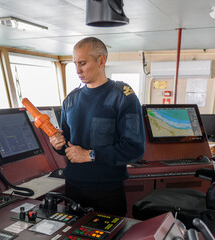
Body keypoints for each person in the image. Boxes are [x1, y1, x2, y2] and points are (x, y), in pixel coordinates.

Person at [49, 37, 145, 216]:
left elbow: (134, 149)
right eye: (75, 64)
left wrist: (89, 155)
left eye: (83, 63)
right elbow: (67, 146)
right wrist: (58, 144)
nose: (78, 70)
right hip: (73, 188)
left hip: (107, 191)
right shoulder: (71, 99)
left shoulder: (123, 96)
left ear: (101, 60)